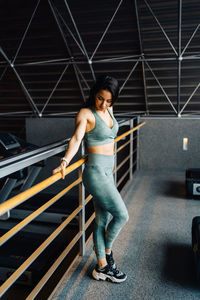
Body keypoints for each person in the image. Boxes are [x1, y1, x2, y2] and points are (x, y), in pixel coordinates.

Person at [53, 75, 129, 283]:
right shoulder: (86, 113)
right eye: (100, 98)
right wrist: (65, 161)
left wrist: (108, 107)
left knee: (102, 219)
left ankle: (102, 266)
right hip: (95, 172)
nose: (103, 104)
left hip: (107, 170)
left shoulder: (109, 110)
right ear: (93, 95)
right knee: (122, 215)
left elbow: (110, 132)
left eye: (108, 100)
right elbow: (77, 138)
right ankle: (108, 252)